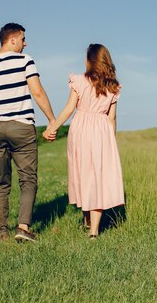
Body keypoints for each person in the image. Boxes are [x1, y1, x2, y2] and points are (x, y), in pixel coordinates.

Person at [0, 22, 56, 242]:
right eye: (23, 39)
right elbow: (37, 92)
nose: (25, 43)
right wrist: (52, 120)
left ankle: (3, 231)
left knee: (0, 181)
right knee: (27, 179)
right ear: (12, 39)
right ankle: (23, 227)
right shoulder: (25, 60)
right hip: (22, 128)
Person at [43, 43, 124, 239]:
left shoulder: (79, 81)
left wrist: (52, 127)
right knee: (97, 177)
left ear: (90, 60)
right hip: (102, 132)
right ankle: (93, 229)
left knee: (83, 174)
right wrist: (111, 141)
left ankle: (89, 223)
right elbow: (111, 117)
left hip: (81, 129)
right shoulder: (113, 87)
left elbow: (70, 108)